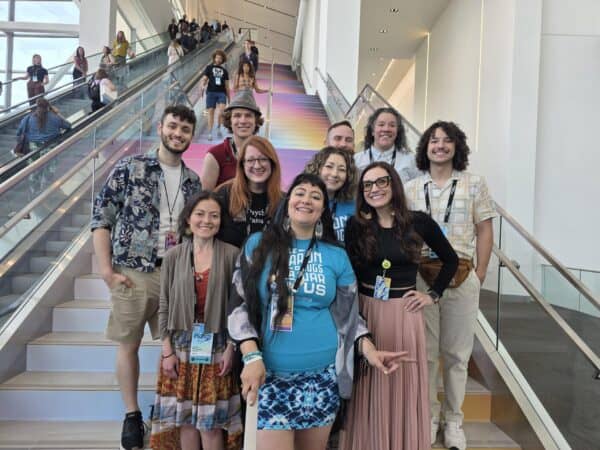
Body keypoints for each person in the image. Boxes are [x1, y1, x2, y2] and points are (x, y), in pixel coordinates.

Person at [227, 172, 405, 450]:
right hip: (268, 374)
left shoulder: (336, 255)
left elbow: (348, 315)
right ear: (288, 201)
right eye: (300, 193)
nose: (306, 200)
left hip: (322, 377)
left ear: (323, 209)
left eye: (315, 196)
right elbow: (239, 306)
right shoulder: (258, 245)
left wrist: (369, 350)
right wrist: (251, 356)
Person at [90, 105, 201, 450]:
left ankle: (165, 406)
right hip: (134, 272)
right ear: (160, 128)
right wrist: (107, 271)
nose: (178, 133)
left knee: (178, 346)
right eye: (173, 126)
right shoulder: (130, 167)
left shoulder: (193, 181)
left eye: (185, 129)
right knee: (130, 344)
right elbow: (101, 218)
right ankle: (132, 414)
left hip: (176, 273)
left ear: (191, 136)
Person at [340, 161, 458, 450]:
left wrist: (432, 295)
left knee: (402, 379)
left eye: (381, 181)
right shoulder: (356, 226)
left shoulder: (419, 222)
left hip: (405, 313)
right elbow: (349, 271)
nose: (375, 189)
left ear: (393, 183)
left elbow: (451, 260)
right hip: (367, 311)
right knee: (368, 380)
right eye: (367, 185)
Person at [404, 121, 496, 450]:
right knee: (427, 353)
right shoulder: (411, 188)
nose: (439, 146)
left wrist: (480, 273)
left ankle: (454, 420)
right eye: (433, 140)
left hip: (462, 276)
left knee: (457, 354)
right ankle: (430, 416)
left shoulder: (474, 184)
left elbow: (484, 229)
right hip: (422, 277)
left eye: (446, 140)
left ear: (457, 146)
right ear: (425, 147)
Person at [150, 191, 243, 450]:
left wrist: (231, 348)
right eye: (200, 214)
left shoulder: (232, 255)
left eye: (214, 215)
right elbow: (164, 305)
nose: (206, 221)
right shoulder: (173, 256)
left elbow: (239, 307)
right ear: (188, 219)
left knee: (211, 424)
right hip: (180, 346)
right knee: (186, 421)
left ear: (221, 221)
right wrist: (167, 351)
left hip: (218, 345)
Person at [215, 135, 283, 248]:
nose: (257, 165)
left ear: (272, 163)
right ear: (242, 164)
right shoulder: (224, 194)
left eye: (263, 159)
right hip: (230, 259)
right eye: (250, 160)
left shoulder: (283, 201)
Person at [200, 90, 264, 191]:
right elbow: (205, 196)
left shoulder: (264, 153)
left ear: (256, 120)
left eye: (248, 115)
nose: (243, 121)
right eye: (237, 115)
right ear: (229, 120)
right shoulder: (215, 155)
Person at [304, 146, 358, 243]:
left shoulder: (354, 207)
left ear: (348, 176)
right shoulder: (302, 203)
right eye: (329, 166)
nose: (334, 174)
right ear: (317, 168)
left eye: (342, 169)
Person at [354, 107, 420, 183]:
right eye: (381, 125)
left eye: (392, 125)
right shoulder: (357, 160)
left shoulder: (410, 160)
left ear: (397, 131)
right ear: (372, 131)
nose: (386, 129)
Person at [199, 50, 230, 141]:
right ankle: (210, 132)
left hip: (221, 93)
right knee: (211, 112)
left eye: (220, 58)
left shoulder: (225, 71)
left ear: (223, 59)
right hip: (211, 92)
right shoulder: (209, 68)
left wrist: (229, 97)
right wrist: (202, 86)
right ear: (214, 58)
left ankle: (218, 127)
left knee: (221, 111)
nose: (218, 59)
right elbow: (204, 79)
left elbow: (227, 85)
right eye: (217, 57)